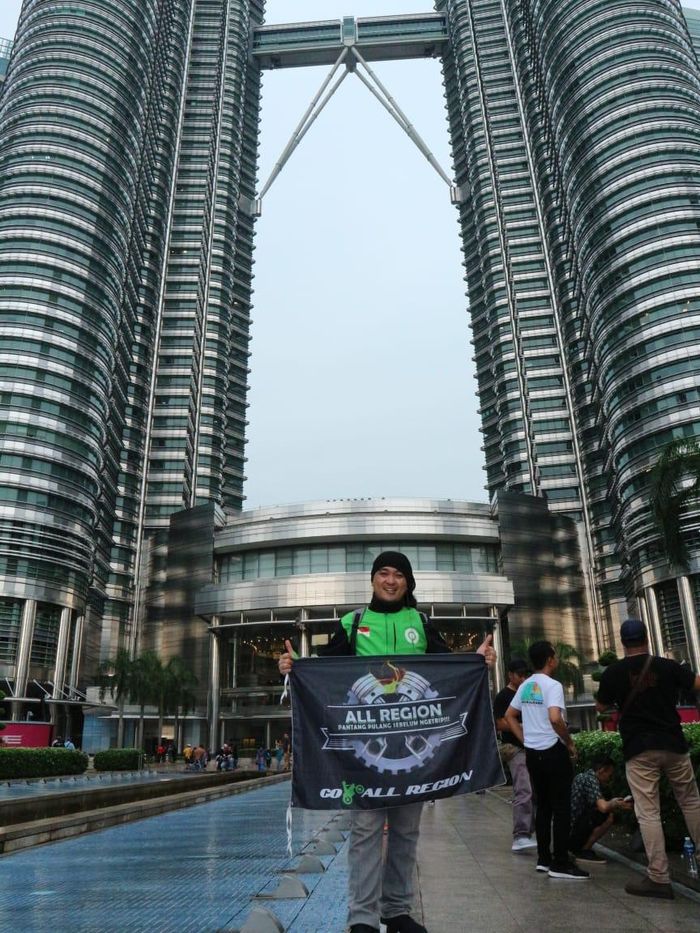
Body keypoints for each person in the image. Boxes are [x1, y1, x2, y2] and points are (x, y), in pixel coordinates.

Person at [278, 550, 496, 933]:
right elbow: (326, 668)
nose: (391, 580)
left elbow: (449, 672)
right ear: (373, 579)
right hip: (366, 754)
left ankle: (395, 911)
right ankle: (361, 918)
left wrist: (478, 660)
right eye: (384, 573)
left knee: (406, 831)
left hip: (413, 751)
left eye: (398, 574)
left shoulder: (422, 623)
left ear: (408, 583)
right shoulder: (353, 621)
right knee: (364, 832)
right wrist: (296, 666)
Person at [596, 618, 700, 899]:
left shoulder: (612, 673)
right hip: (673, 743)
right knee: (691, 802)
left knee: (648, 812)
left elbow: (601, 705)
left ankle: (659, 877)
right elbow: (696, 683)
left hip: (639, 748)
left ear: (622, 642)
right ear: (647, 637)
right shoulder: (668, 666)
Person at [504, 640, 588, 880]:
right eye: (555, 655)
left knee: (543, 808)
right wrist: (569, 742)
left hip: (533, 754)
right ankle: (561, 862)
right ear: (550, 659)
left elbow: (509, 716)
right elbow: (555, 718)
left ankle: (544, 859)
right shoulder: (553, 685)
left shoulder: (526, 685)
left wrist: (525, 738)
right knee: (561, 808)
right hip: (553, 751)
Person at [493, 658, 535, 852]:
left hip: (532, 746)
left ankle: (529, 831)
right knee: (524, 789)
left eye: (525, 674)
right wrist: (522, 725)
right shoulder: (503, 696)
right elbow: (499, 723)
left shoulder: (529, 691)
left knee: (531, 789)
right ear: (510, 675)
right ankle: (521, 834)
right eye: (520, 675)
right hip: (515, 748)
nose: (523, 678)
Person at [569, 755, 632, 862]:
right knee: (608, 817)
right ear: (602, 770)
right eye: (609, 775)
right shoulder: (590, 780)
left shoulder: (583, 777)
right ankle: (583, 851)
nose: (609, 779)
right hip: (573, 829)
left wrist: (616, 804)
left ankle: (578, 847)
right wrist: (616, 803)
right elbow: (603, 807)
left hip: (569, 828)